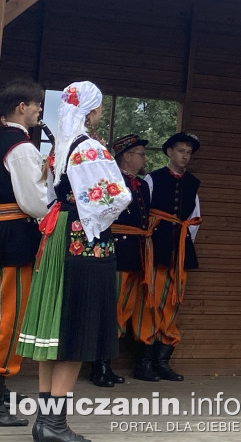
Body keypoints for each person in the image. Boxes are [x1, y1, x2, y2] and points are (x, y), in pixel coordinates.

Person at [17, 81, 131, 442]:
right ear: (93, 112)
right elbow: (118, 196)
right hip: (83, 239)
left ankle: (45, 421)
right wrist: (99, 218)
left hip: (56, 234)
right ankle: (54, 425)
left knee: (54, 328)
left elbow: (49, 195)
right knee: (75, 326)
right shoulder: (91, 149)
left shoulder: (59, 150)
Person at [0, 79, 49, 427]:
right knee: (9, 315)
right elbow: (34, 202)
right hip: (13, 238)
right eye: (36, 105)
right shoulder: (21, 147)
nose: (39, 111)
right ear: (21, 107)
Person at [136, 132, 202, 382]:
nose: (185, 155)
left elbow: (194, 220)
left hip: (179, 250)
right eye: (181, 150)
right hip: (156, 247)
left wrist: (184, 243)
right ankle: (143, 363)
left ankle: (162, 361)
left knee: (173, 302)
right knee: (152, 299)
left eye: (189, 152)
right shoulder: (153, 179)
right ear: (169, 153)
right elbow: (143, 211)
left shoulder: (193, 184)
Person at [98, 134, 151, 387]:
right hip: (117, 251)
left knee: (126, 308)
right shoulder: (111, 180)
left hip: (135, 253)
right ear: (127, 156)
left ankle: (108, 364)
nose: (144, 159)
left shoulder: (142, 185)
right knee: (112, 307)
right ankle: (100, 366)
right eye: (140, 153)